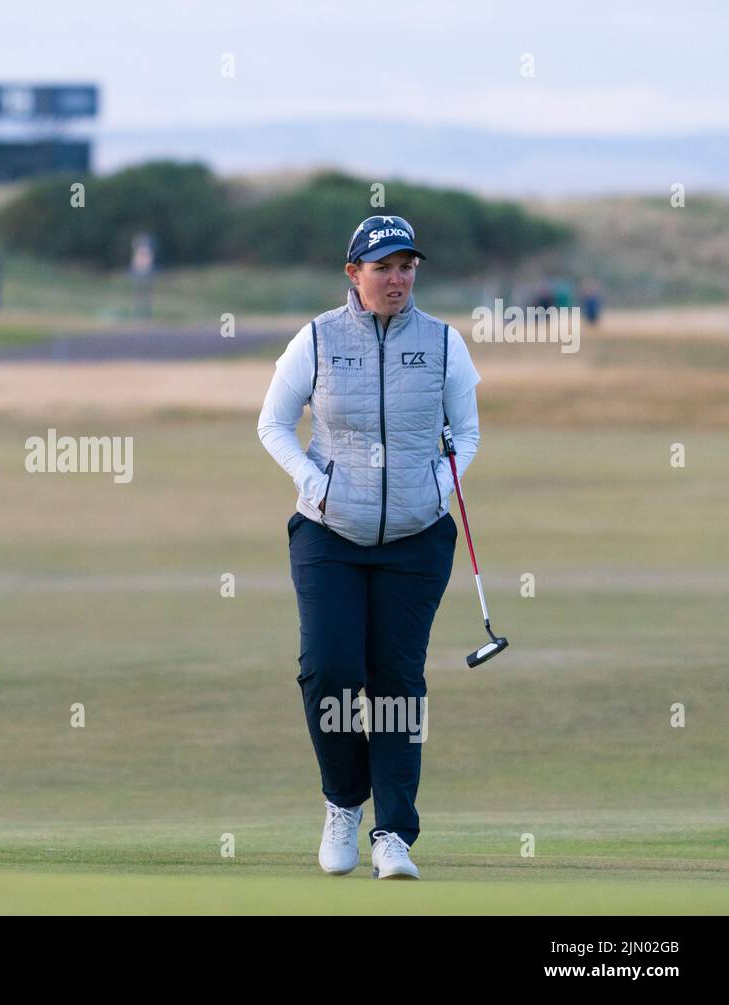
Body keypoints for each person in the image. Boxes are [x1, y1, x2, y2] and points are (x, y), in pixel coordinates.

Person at [257, 216, 481, 880]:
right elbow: (273, 423)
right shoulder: (319, 340)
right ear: (353, 273)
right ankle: (343, 801)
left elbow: (466, 432)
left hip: (416, 538)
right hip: (330, 533)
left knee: (396, 681)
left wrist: (441, 484)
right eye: (382, 266)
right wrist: (312, 482)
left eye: (407, 265)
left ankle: (393, 835)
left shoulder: (443, 343)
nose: (397, 278)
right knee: (329, 671)